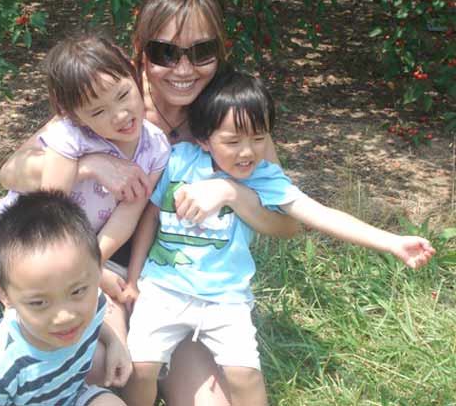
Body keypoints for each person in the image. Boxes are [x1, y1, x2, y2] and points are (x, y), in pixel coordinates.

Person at [0, 0, 299, 405]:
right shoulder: (115, 96)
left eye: (201, 52)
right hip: (102, 261)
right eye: (164, 52)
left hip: (185, 278)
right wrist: (89, 166)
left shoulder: (230, 118)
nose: (183, 69)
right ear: (139, 50)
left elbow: (287, 223)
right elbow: (9, 171)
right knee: (104, 372)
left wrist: (234, 193)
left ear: (220, 49)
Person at [121, 68, 436, 406]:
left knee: (245, 375)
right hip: (164, 286)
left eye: (259, 138)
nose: (247, 152)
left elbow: (319, 214)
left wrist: (391, 241)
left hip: (226, 297)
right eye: (232, 140)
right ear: (202, 139)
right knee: (141, 368)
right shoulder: (179, 160)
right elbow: (151, 217)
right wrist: (134, 278)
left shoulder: (263, 178)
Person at [0, 34, 171, 333]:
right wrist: (89, 167)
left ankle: (27, 296)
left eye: (123, 95)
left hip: (70, 248)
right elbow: (52, 209)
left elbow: (127, 216)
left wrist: (90, 266)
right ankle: (9, 288)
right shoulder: (70, 135)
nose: (120, 115)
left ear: (133, 75)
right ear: (75, 115)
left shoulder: (156, 146)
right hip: (22, 231)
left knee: (37, 317)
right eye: (98, 111)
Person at [0, 190, 131, 406]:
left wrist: (114, 343)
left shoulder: (94, 301)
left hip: (70, 397)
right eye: (39, 303)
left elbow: (98, 318)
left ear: (97, 273)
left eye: (77, 291)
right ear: (5, 295)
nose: (65, 316)